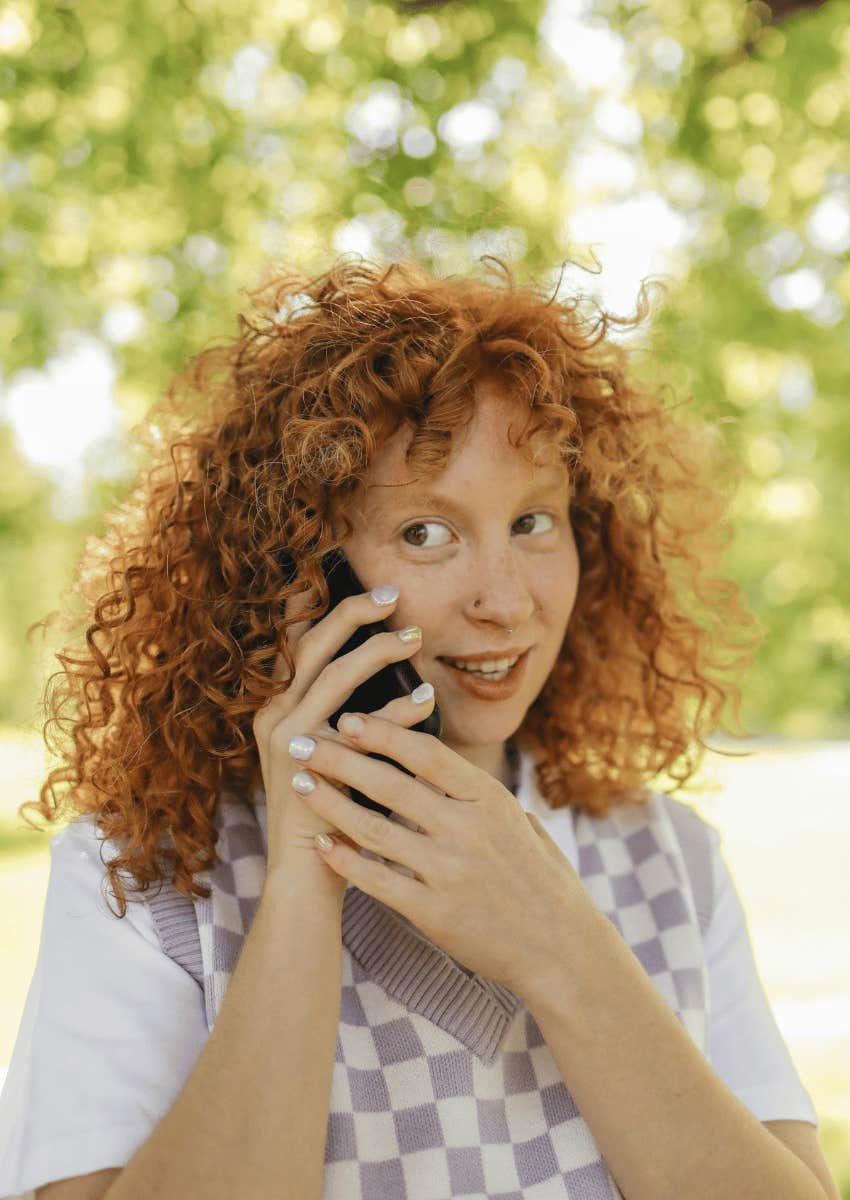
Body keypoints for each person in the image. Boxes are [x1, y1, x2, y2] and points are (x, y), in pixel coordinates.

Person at [0, 258, 839, 1200]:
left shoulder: (669, 863)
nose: (506, 601)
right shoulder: (143, 887)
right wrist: (306, 885)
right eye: (426, 534)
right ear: (300, 576)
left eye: (533, 521)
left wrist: (560, 943)